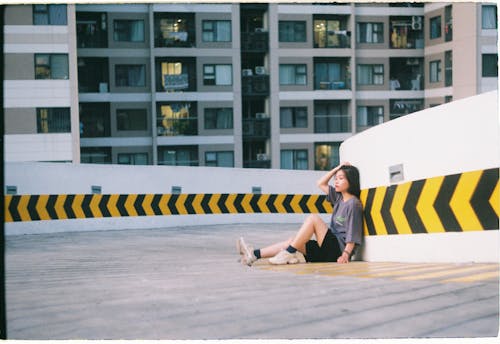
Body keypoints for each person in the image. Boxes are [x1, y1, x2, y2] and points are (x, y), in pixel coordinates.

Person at [237, 162, 363, 266]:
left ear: (351, 181)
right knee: (293, 241)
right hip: (327, 248)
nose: (336, 181)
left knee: (313, 219)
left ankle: (288, 253)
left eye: (341, 178)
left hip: (337, 250)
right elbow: (320, 183)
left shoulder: (353, 204)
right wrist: (337, 169)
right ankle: (253, 255)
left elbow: (353, 234)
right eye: (336, 178)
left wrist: (345, 254)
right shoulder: (338, 198)